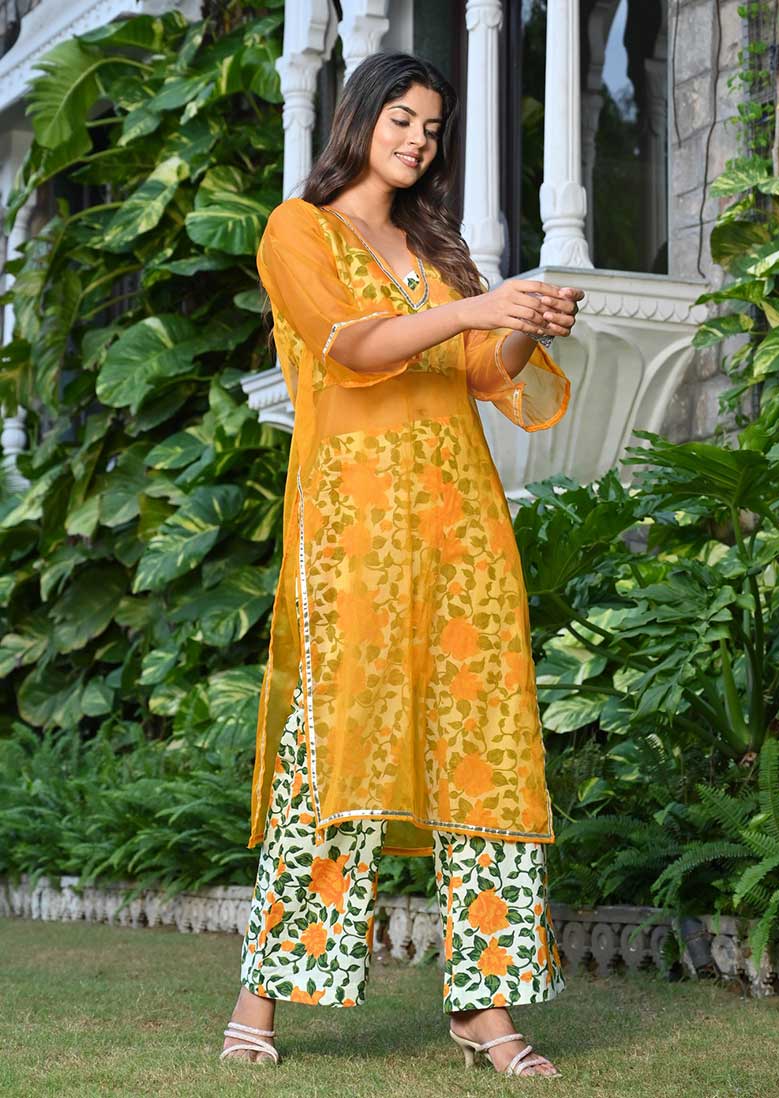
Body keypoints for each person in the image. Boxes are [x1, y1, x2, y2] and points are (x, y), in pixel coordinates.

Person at [220, 50, 583, 1080]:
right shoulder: (300, 229)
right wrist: (476, 308)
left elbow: (479, 374)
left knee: (485, 754)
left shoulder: (433, 247)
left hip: (460, 534)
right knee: (334, 757)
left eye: (431, 126)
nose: (418, 138)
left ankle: (485, 1010)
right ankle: (262, 996)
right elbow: (351, 346)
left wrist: (522, 325)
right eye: (402, 118)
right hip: (356, 537)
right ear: (359, 118)